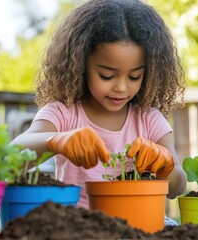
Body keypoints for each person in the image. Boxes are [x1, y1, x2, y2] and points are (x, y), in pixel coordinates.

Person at [10, 0, 187, 220]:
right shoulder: (63, 113)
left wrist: (166, 166)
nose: (121, 87)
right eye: (107, 75)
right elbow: (11, 158)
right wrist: (53, 141)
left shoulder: (149, 119)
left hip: (138, 224)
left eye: (134, 77)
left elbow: (178, 186)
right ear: (81, 64)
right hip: (79, 225)